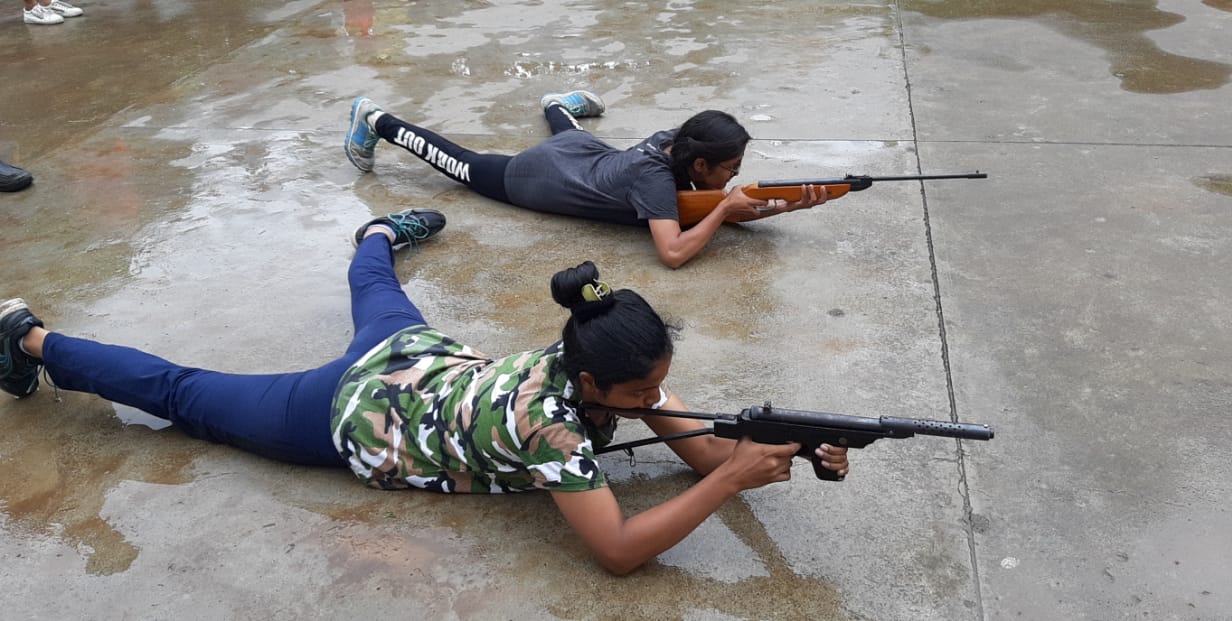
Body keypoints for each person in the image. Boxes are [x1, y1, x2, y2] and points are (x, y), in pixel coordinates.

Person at [0, 208, 849, 576]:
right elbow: (619, 553)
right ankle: (29, 337)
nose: (659, 396)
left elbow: (698, 444)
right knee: (184, 393)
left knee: (379, 290)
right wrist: (732, 478)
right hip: (354, 412)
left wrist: (785, 447)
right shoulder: (552, 425)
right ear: (594, 382)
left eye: (660, 381)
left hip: (422, 356)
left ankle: (375, 232)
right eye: (646, 388)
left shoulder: (603, 362)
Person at [343, 90, 829, 269]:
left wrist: (789, 204)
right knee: (458, 161)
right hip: (532, 176)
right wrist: (725, 208)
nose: (734, 176)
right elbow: (674, 253)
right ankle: (377, 119)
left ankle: (557, 102)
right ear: (698, 164)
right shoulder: (655, 180)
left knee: (570, 134)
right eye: (728, 168)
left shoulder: (675, 140)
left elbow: (707, 205)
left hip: (584, 155)